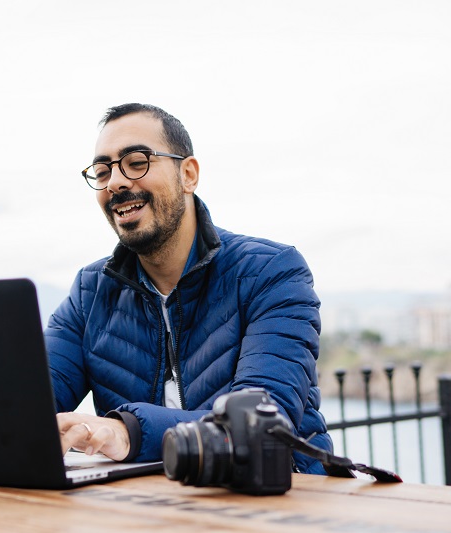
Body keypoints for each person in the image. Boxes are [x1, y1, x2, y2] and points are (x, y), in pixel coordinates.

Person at [46, 103, 331, 474]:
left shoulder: (271, 272)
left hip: (272, 506)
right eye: (102, 171)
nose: (115, 182)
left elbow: (263, 426)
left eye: (136, 162)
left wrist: (128, 432)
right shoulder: (90, 291)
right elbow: (25, 402)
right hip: (148, 510)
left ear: (188, 175)